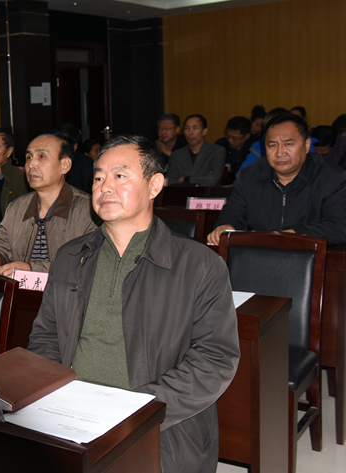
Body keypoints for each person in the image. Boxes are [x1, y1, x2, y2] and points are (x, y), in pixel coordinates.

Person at [28, 134, 239, 473]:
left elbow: (214, 359)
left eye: (120, 176)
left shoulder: (199, 265)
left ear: (155, 185)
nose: (105, 187)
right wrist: (59, 398)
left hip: (156, 424)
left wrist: (134, 408)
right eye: (98, 178)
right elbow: (45, 337)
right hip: (71, 416)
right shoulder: (70, 257)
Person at [208, 113, 346, 245]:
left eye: (288, 144)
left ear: (306, 145)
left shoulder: (333, 178)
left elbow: (339, 226)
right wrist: (226, 226)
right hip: (258, 254)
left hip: (312, 257)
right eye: (272, 145)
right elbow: (234, 212)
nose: (280, 153)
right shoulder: (249, 176)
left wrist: (291, 236)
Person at [0, 131, 98, 277]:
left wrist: (33, 269)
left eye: (41, 156)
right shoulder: (17, 207)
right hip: (19, 290)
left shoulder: (90, 210)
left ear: (65, 165)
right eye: (29, 157)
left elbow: (90, 261)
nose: (31, 164)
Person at [166, 114, 226, 186]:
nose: (190, 132)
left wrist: (185, 179)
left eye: (195, 128)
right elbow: (170, 181)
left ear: (204, 131)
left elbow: (213, 179)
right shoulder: (176, 155)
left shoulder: (217, 151)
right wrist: (203, 178)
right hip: (182, 193)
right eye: (187, 128)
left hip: (208, 193)